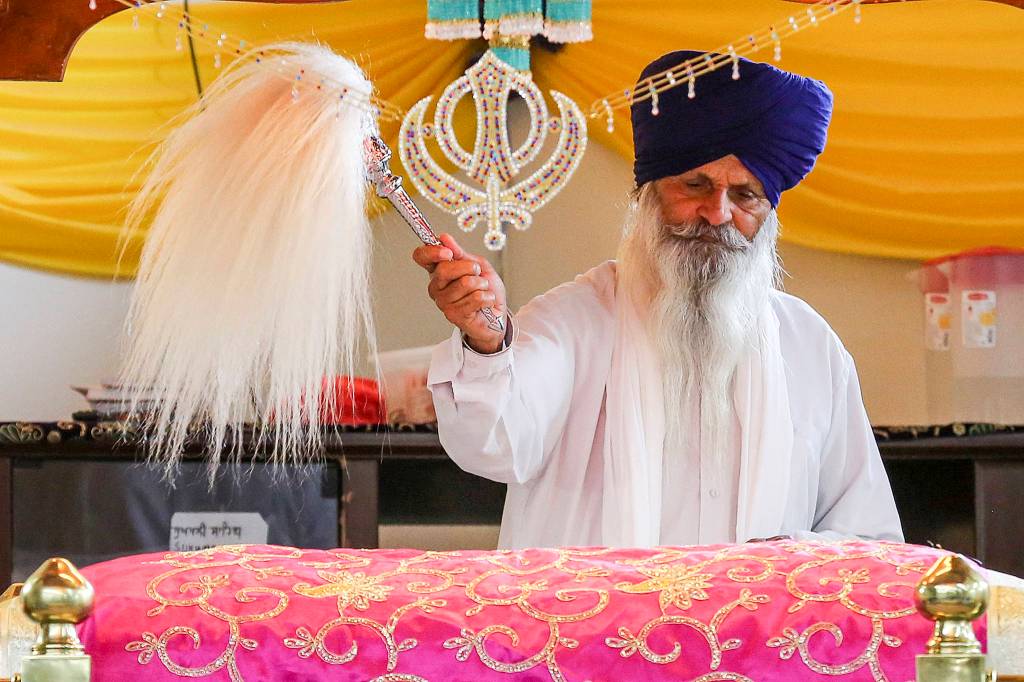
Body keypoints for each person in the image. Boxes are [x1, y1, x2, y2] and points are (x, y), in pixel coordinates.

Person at [412, 50, 903, 549]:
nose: (717, 213)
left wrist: (782, 559)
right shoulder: (575, 319)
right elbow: (494, 445)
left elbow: (867, 534)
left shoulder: (810, 346)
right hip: (594, 622)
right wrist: (486, 343)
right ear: (646, 194)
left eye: (746, 195)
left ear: (768, 212)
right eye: (695, 185)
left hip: (755, 625)